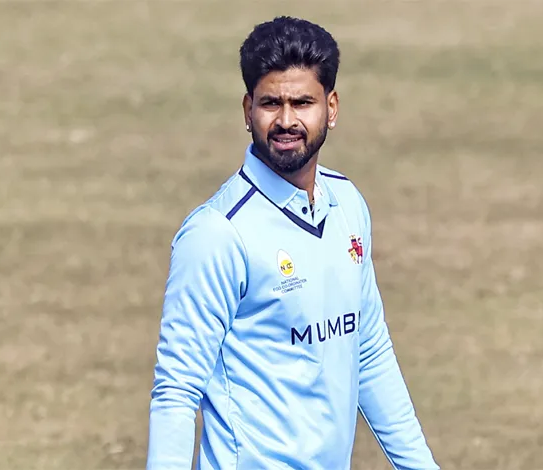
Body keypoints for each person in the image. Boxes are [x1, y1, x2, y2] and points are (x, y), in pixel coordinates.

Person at [146, 16, 439, 470]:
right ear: (248, 110)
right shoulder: (217, 234)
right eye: (271, 103)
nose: (286, 121)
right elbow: (177, 390)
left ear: (331, 108)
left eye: (302, 102)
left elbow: (368, 348)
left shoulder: (347, 203)